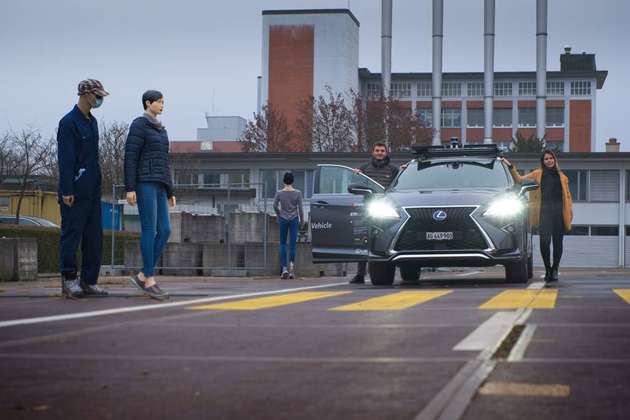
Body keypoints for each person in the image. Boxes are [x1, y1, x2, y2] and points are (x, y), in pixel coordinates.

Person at [57, 79, 110, 299]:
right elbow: (66, 159)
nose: (99, 100)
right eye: (97, 96)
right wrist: (67, 190)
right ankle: (69, 279)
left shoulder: (93, 122)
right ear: (86, 94)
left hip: (92, 190)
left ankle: (89, 281)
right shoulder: (68, 123)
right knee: (72, 235)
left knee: (93, 238)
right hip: (75, 191)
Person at [125, 90, 176, 300]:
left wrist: (170, 191)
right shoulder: (139, 125)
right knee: (149, 229)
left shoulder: (161, 129)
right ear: (148, 103)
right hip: (144, 183)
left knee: (165, 230)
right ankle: (150, 279)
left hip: (160, 185)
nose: (163, 105)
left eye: (164, 102)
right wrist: (130, 187)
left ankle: (142, 275)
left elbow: (165, 162)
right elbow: (130, 156)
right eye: (160, 102)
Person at [503, 150, 573, 283]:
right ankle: (548, 269)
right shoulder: (537, 174)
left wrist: (570, 213)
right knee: (544, 243)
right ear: (543, 161)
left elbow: (568, 197)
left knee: (558, 244)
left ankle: (555, 269)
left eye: (551, 158)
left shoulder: (563, 177)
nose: (549, 161)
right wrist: (510, 166)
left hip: (559, 214)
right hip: (544, 214)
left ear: (555, 160)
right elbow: (519, 180)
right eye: (546, 159)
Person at [350, 142, 400, 284]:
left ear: (387, 152)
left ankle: (391, 271)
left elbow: (398, 187)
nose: (379, 153)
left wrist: (404, 171)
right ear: (373, 152)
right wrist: (356, 174)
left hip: (387, 210)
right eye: (377, 150)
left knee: (387, 238)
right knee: (363, 240)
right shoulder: (364, 169)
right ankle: (360, 274)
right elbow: (356, 184)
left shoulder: (394, 170)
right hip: (367, 209)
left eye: (382, 151)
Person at [273, 172, 305, 279]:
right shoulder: (298, 193)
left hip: (283, 219)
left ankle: (284, 269)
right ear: (293, 181)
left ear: (283, 181)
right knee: (292, 245)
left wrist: (279, 214)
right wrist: (302, 221)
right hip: (294, 219)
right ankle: (291, 269)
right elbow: (300, 209)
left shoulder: (279, 193)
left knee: (282, 243)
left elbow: (274, 205)